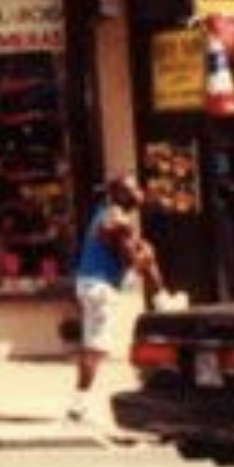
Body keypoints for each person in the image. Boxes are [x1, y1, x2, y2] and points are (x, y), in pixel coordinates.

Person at [69, 174, 168, 422]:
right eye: (130, 189)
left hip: (95, 283)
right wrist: (142, 256)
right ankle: (79, 405)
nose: (137, 193)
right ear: (116, 194)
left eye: (137, 187)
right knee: (95, 347)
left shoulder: (110, 213)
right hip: (99, 286)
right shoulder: (116, 218)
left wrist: (141, 253)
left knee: (94, 346)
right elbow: (129, 260)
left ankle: (162, 298)